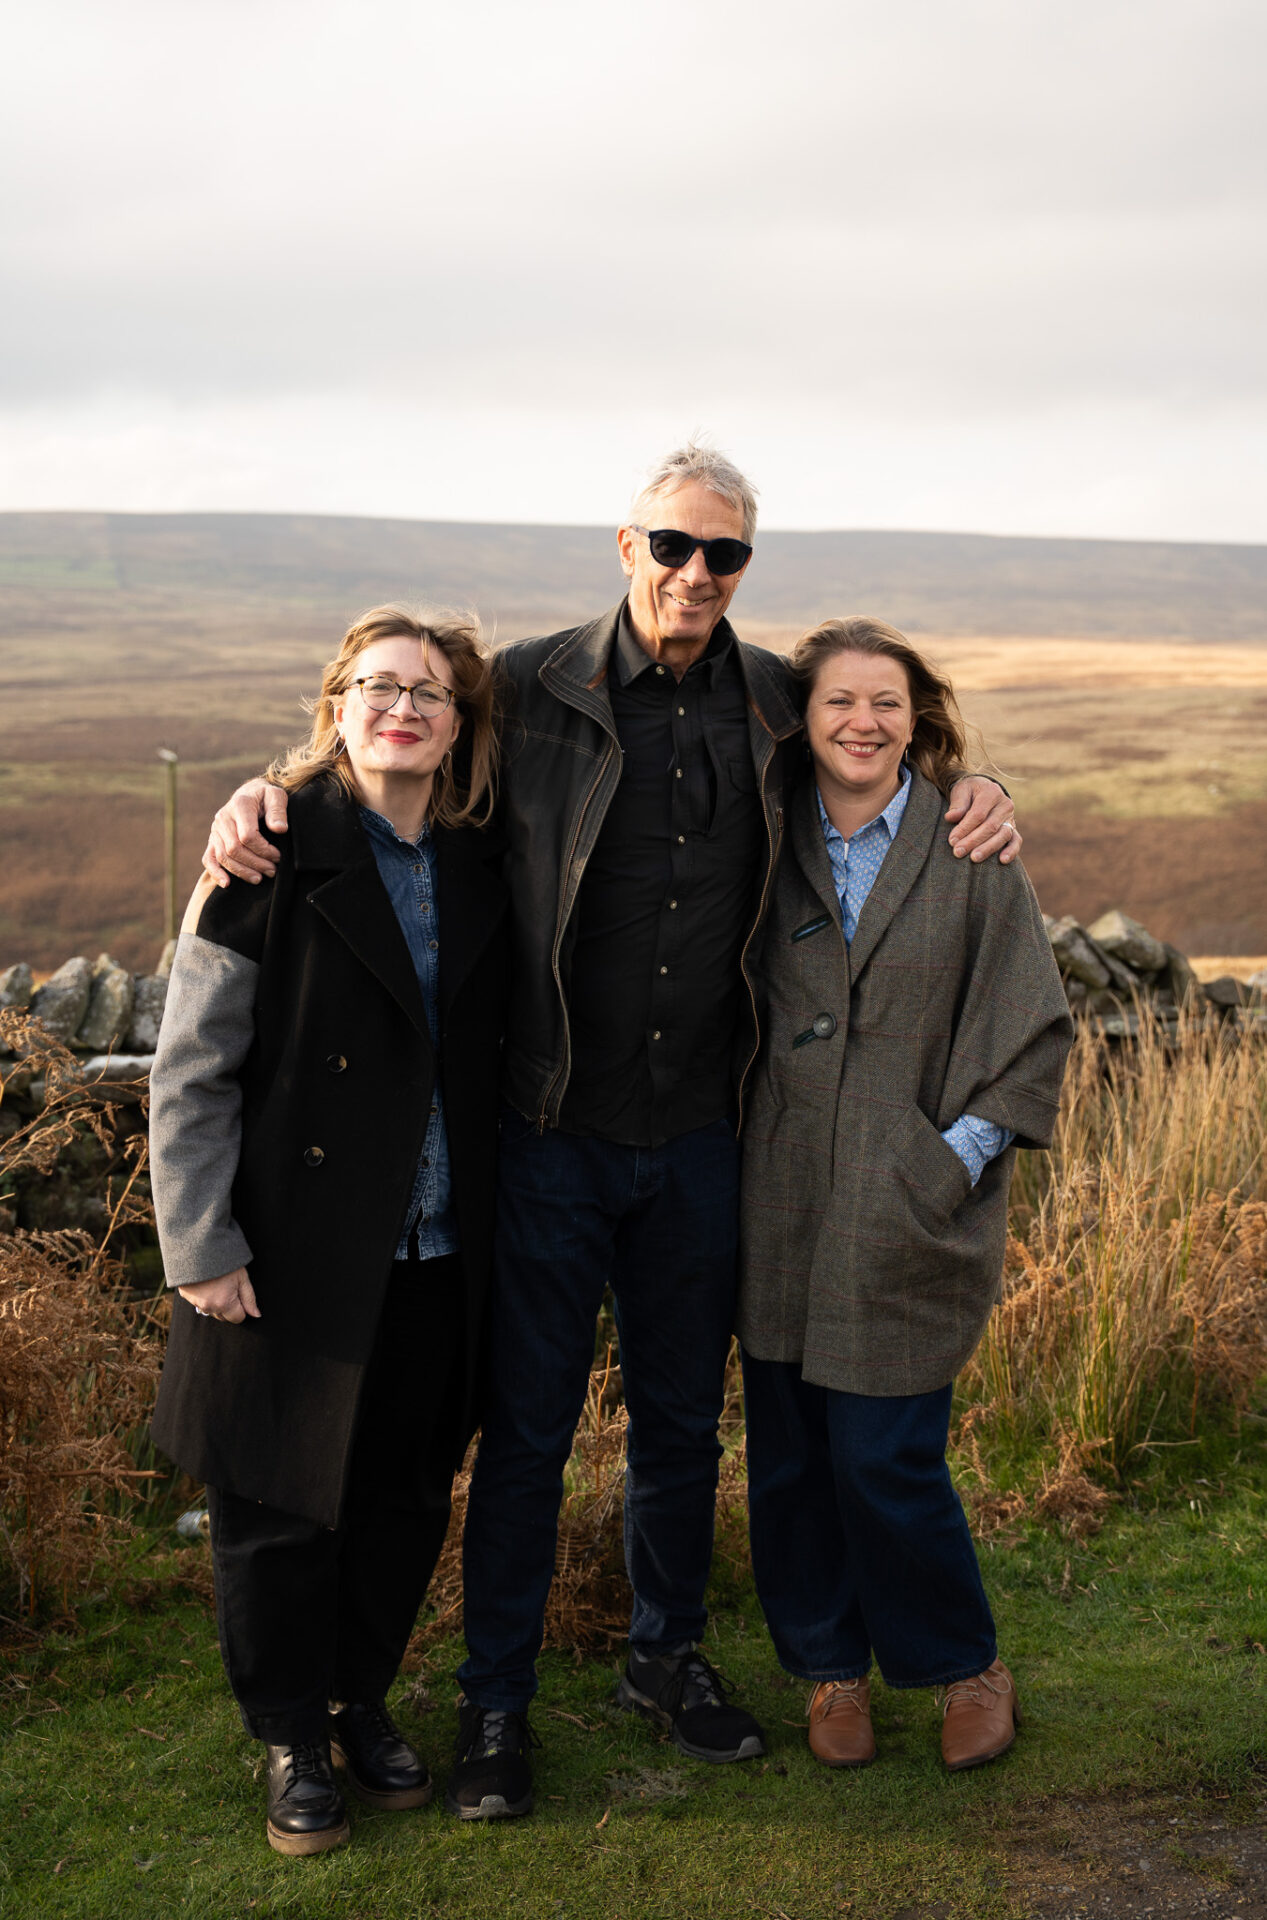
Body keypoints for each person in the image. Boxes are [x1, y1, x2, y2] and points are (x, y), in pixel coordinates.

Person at [202, 445, 1022, 1817]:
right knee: (525, 1437)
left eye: (725, 553)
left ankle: (665, 1656)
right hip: (548, 1135)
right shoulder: (528, 687)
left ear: (745, 565)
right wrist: (262, 791)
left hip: (703, 1138)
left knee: (680, 1429)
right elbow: (388, 734)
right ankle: (496, 1701)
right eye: (673, 545)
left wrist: (972, 785)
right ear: (626, 545)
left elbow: (879, 736)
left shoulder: (777, 699)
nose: (696, 573)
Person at [149, 606, 507, 1854]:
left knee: (405, 1497)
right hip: (292, 1242)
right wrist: (200, 1242)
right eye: (379, 687)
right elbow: (192, 1064)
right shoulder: (266, 852)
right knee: (278, 1500)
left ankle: (359, 1699)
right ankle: (292, 1734)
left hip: (441, 1246)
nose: (402, 708)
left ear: (458, 727)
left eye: (428, 693)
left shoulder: (481, 859)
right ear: (337, 706)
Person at [737, 616, 1072, 1774]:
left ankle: (963, 1666)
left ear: (916, 719)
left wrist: (951, 1160)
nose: (862, 722)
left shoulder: (970, 849)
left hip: (908, 1206)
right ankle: (830, 1670)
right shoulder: (759, 839)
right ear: (803, 718)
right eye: (838, 700)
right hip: (774, 1201)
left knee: (885, 1457)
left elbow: (1034, 1028)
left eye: (885, 702)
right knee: (789, 1461)